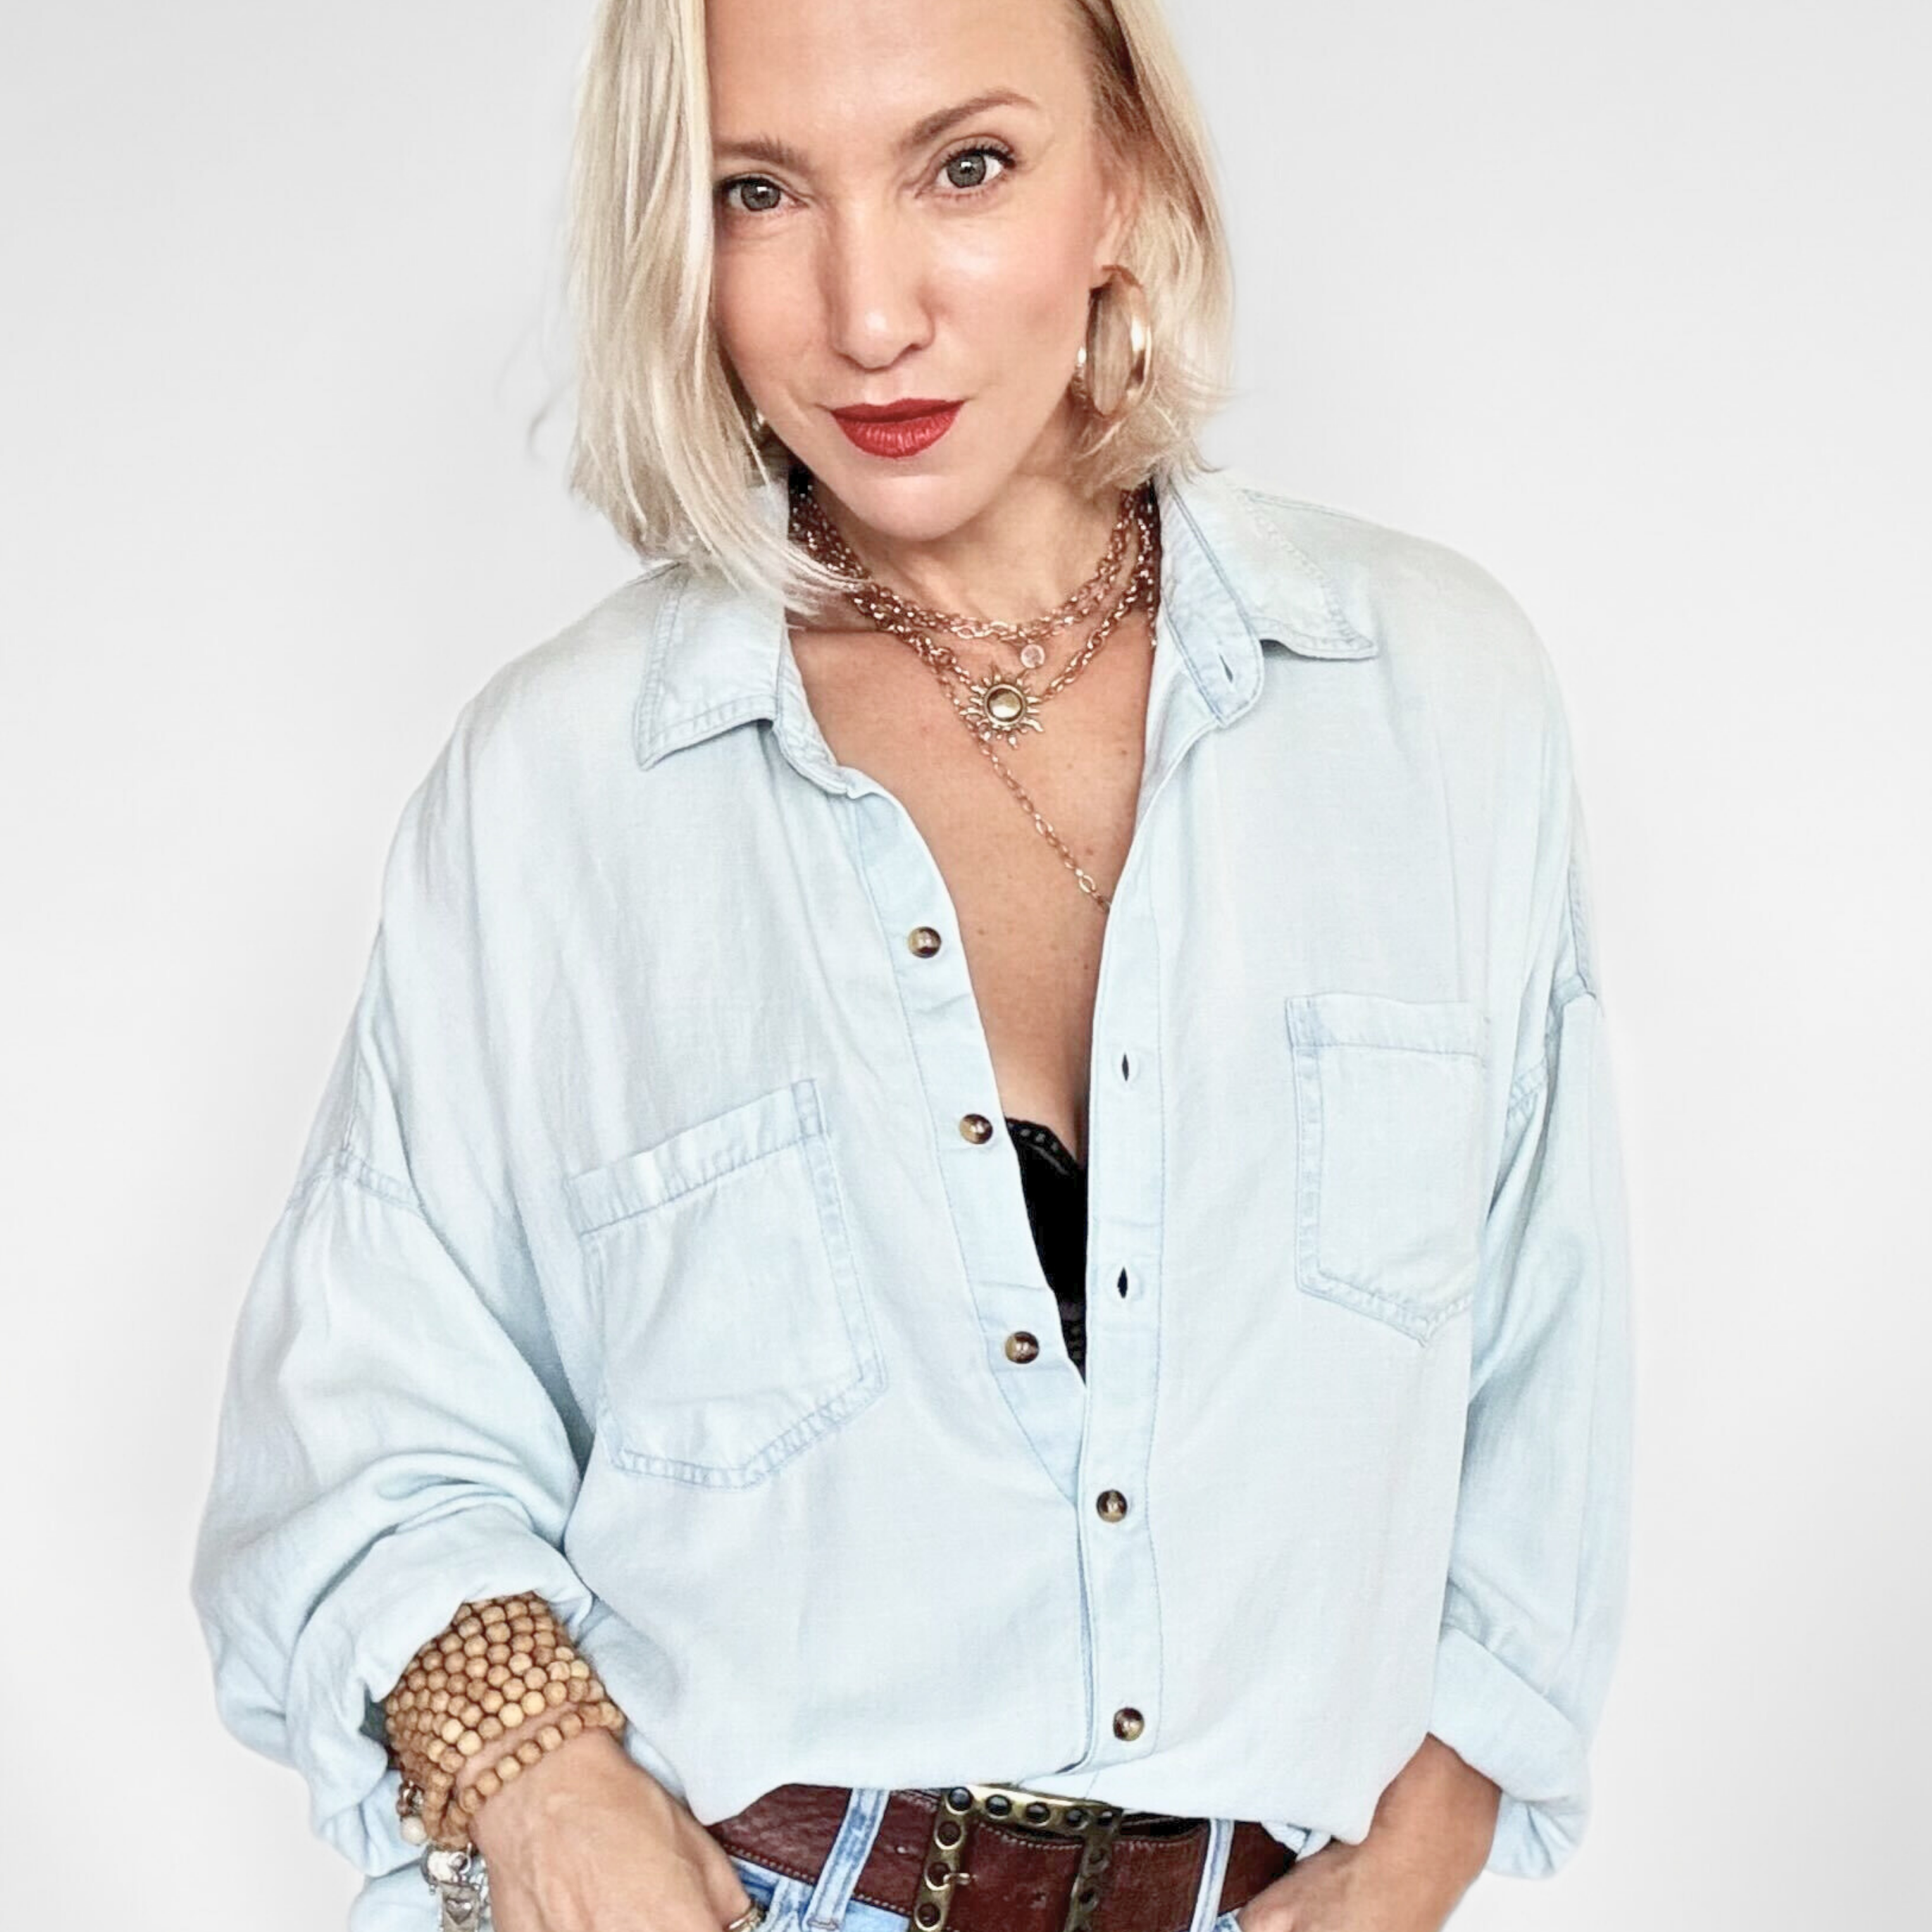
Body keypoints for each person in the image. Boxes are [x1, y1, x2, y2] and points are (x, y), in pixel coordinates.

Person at [191, 0, 1635, 1928]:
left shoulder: (1431, 703)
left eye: (966, 166)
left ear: (1119, 175)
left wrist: (1431, 1833)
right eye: (758, 192)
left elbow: (1544, 1347)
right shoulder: (559, 791)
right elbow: (358, 1428)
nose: (867, 313)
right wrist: (546, 1791)